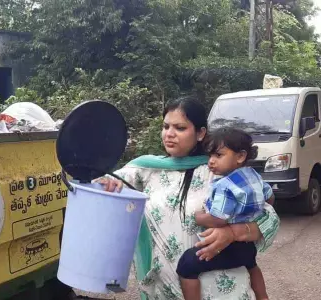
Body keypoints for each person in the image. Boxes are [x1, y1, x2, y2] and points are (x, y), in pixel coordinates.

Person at [97, 96, 280, 300]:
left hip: (223, 291)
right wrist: (107, 182)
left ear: (201, 133)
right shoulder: (147, 169)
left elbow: (269, 217)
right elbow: (103, 181)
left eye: (180, 128)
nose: (170, 134)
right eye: (166, 126)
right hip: (165, 291)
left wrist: (233, 232)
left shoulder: (222, 171)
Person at [176, 128, 274, 300]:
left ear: (240, 156)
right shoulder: (253, 174)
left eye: (218, 156)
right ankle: (263, 297)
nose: (211, 162)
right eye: (210, 156)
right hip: (248, 244)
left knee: (187, 263)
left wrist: (198, 216)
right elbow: (270, 198)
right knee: (252, 264)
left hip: (229, 245)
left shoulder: (224, 185)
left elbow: (218, 219)